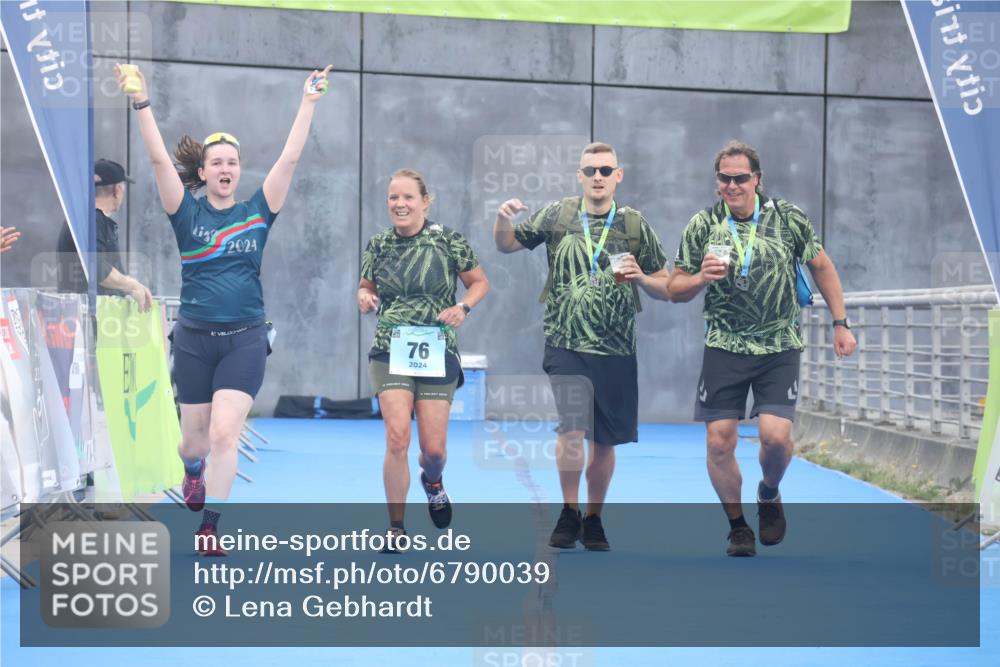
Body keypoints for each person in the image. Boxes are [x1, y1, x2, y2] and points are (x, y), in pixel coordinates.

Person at [117, 62, 333, 555]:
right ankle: (192, 470)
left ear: (238, 169)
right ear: (203, 172)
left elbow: (290, 160)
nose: (225, 168)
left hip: (245, 339)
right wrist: (142, 102)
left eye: (232, 161)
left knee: (223, 434)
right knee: (193, 443)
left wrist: (308, 103)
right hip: (194, 340)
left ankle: (210, 528)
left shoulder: (257, 212)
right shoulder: (186, 212)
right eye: (216, 162)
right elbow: (157, 161)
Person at [668, 140, 857, 557]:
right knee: (719, 442)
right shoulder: (703, 224)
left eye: (740, 178)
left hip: (778, 344)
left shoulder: (787, 217)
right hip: (724, 345)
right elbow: (674, 288)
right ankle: (738, 528)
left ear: (757, 179)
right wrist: (699, 278)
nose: (732, 185)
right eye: (724, 178)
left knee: (775, 438)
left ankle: (769, 492)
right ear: (717, 181)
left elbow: (821, 266)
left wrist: (840, 323)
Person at [494, 142, 670, 551]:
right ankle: (569, 511)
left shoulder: (634, 224)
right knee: (572, 429)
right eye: (590, 170)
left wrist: (643, 278)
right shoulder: (559, 214)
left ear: (618, 176)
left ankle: (594, 517)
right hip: (566, 342)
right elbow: (507, 244)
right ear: (579, 175)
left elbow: (665, 283)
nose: (598, 177)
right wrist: (502, 219)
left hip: (616, 348)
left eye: (605, 170)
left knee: (604, 441)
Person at [360, 169, 489, 549]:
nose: (399, 204)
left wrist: (462, 307)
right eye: (393, 197)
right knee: (397, 437)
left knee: (433, 452)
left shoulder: (448, 240)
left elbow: (480, 282)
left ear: (425, 201)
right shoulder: (379, 244)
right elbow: (366, 287)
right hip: (390, 346)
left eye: (408, 197)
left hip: (436, 347)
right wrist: (364, 297)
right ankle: (396, 528)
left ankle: (432, 481)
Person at [56, 159, 153, 311]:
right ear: (117, 190)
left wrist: (128, 286)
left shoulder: (86, 219)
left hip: (86, 315)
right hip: (87, 318)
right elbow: (97, 267)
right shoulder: (92, 219)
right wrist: (131, 285)